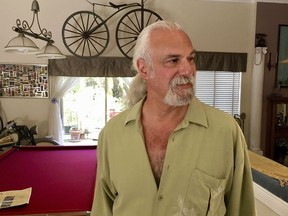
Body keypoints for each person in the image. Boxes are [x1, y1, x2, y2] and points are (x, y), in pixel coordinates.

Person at [91, 20, 256, 216]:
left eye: (191, 59)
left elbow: (242, 209)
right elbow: (102, 209)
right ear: (144, 69)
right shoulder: (112, 134)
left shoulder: (226, 132)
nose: (188, 71)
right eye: (173, 60)